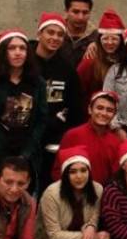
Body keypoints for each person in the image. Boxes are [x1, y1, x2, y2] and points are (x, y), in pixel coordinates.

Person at [0, 29, 47, 185]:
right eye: (12, 48)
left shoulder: (37, 83)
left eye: (22, 48)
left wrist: (25, 155)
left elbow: (41, 119)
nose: (18, 53)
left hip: (27, 155)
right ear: (3, 52)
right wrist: (6, 159)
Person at [32, 13, 86, 186]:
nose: (55, 38)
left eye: (60, 34)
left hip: (53, 142)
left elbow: (75, 108)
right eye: (50, 32)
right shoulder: (24, 63)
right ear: (39, 34)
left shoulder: (66, 69)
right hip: (26, 140)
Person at [55, 90, 123, 184]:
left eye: (109, 110)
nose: (104, 113)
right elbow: (58, 171)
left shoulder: (115, 141)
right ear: (90, 109)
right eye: (99, 108)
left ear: (114, 114)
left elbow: (117, 176)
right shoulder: (72, 135)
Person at [76, 9, 125, 97]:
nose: (109, 42)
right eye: (105, 38)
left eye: (114, 39)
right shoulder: (90, 60)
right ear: (99, 40)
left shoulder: (125, 60)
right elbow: (76, 87)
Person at [59, 0, 98, 64]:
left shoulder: (97, 38)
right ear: (66, 12)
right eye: (76, 12)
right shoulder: (55, 32)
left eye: (85, 12)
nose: (80, 17)